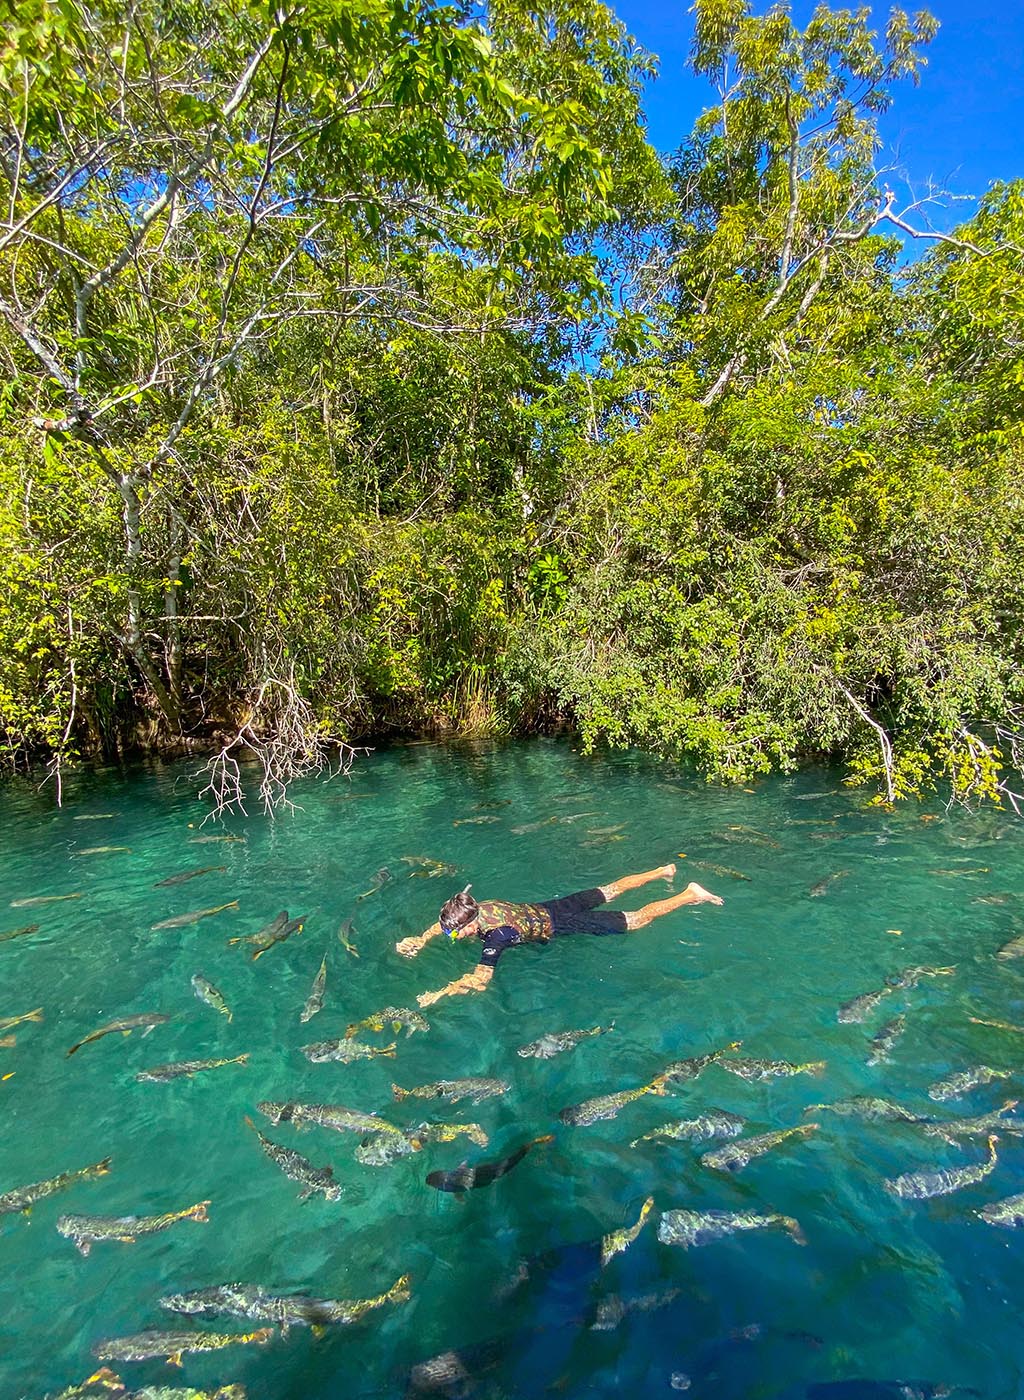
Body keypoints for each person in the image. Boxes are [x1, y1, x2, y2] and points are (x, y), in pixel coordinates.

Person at [395, 864, 723, 1007]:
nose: (452, 936)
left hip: (561, 925)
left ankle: (689, 895)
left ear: (469, 924)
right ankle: (664, 871)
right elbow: (446, 924)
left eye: (455, 934)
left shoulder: (497, 936)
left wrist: (441, 993)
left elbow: (481, 980)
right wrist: (422, 940)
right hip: (549, 907)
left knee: (635, 920)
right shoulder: (478, 906)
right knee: (609, 890)